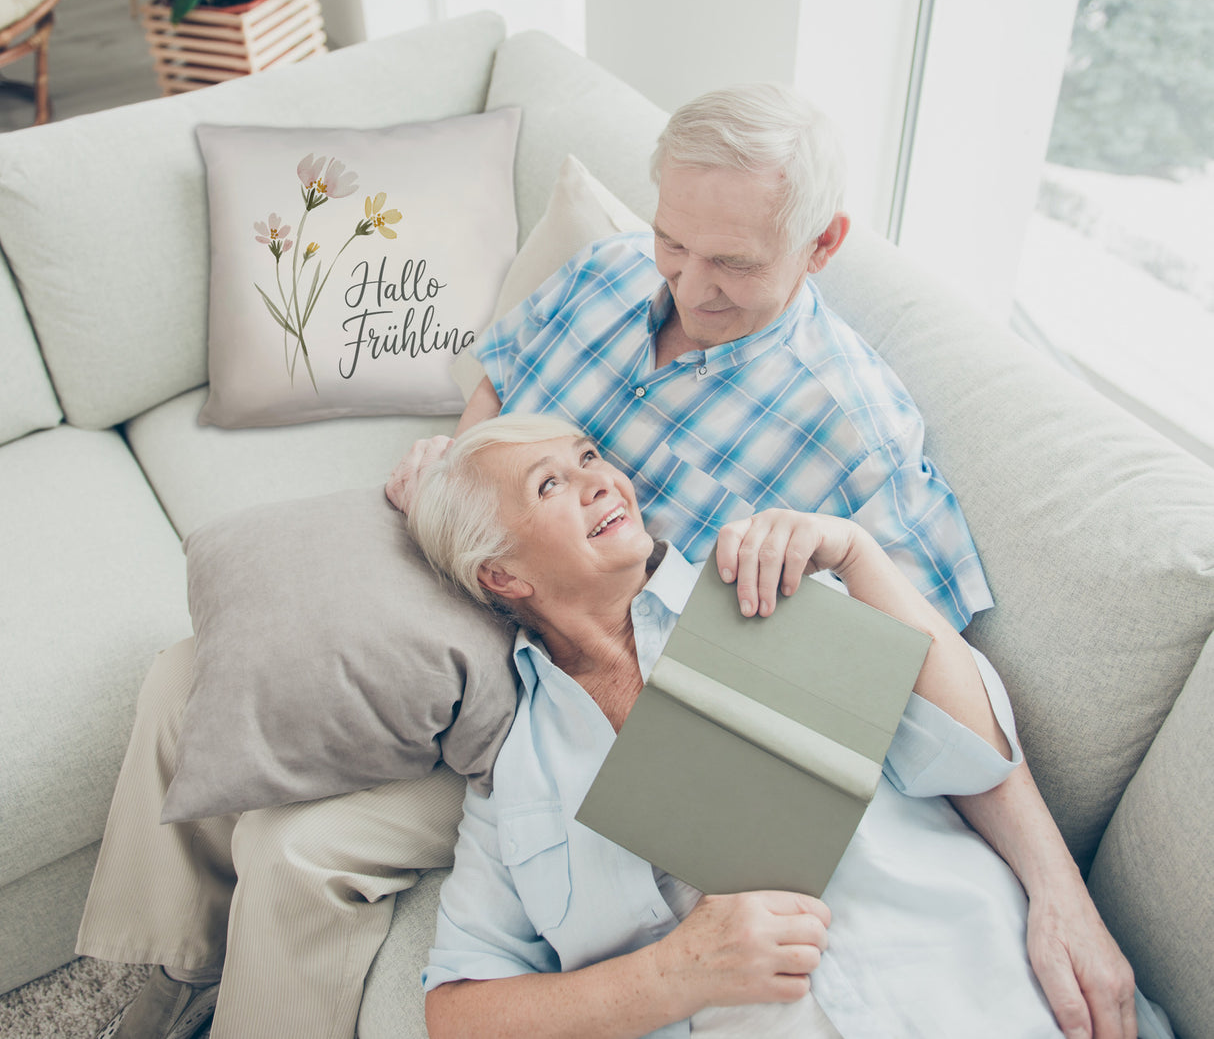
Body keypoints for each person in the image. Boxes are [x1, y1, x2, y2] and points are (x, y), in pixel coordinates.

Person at [388, 84, 1136, 1038]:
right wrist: (462, 483)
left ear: (822, 245)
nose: (689, 288)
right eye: (673, 243)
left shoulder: (831, 484)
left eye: (732, 263)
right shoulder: (609, 275)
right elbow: (501, 375)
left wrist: (1058, 892)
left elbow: (944, 711)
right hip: (493, 661)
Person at [408, 414, 1161, 1039]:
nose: (601, 480)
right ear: (502, 575)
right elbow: (458, 1013)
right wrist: (673, 975)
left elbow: (973, 754)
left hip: (986, 993)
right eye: (551, 484)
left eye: (588, 457)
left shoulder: (762, 587)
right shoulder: (517, 776)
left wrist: (859, 556)